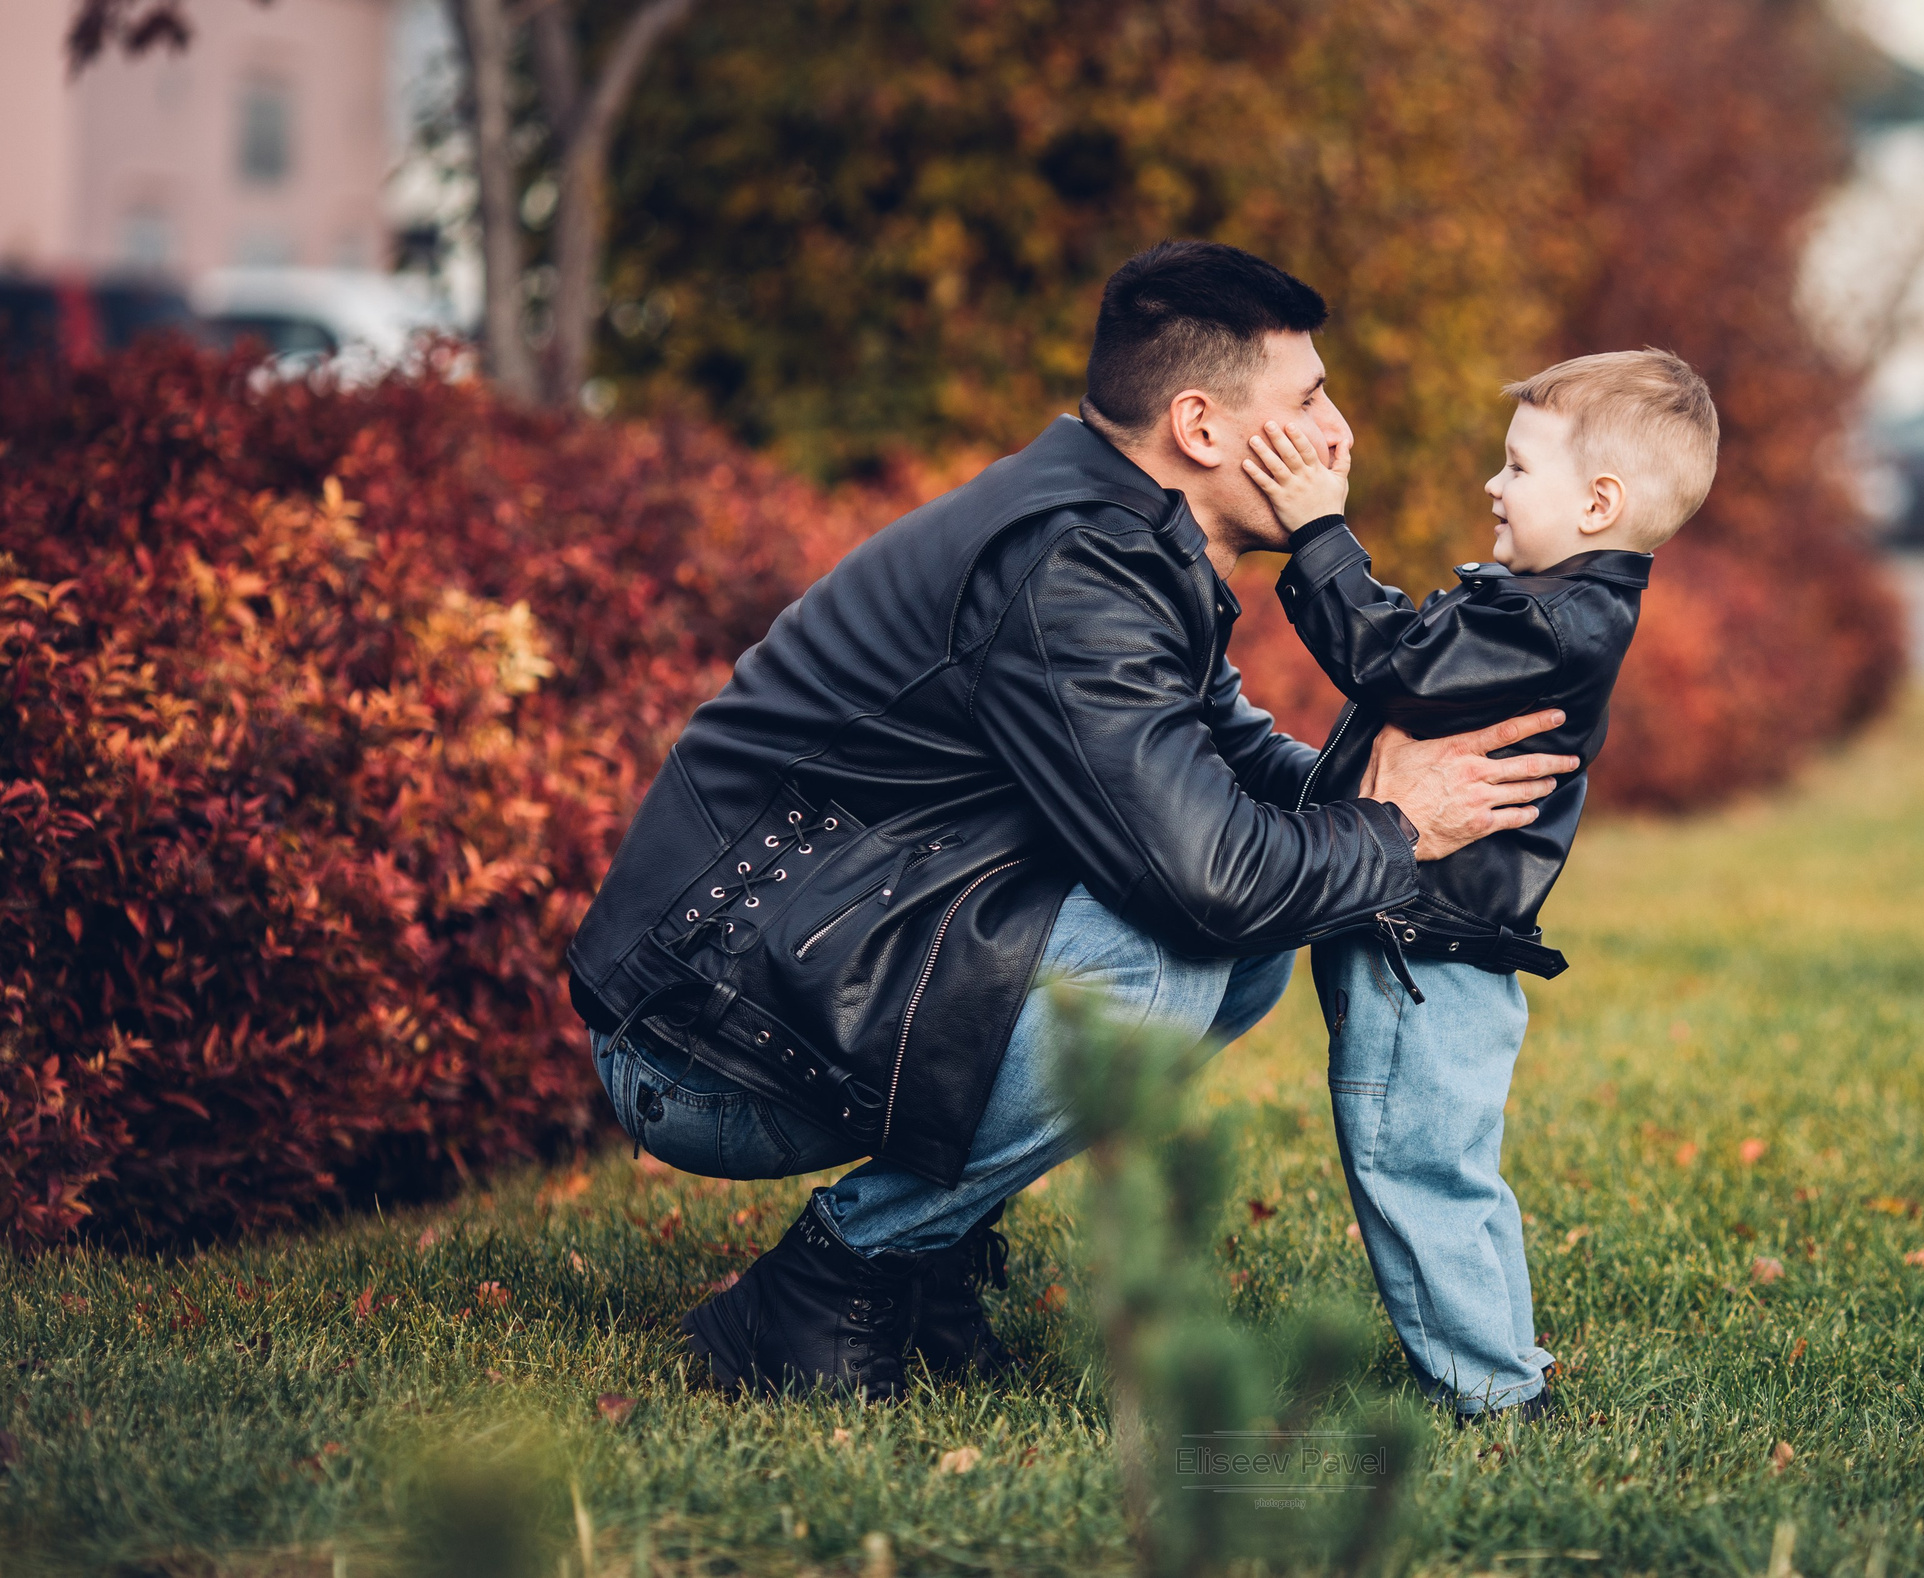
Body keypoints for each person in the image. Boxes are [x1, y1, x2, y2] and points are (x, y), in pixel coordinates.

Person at [563, 240, 1583, 1401]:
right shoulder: (1074, 567)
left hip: (808, 974)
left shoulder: (1120, 535)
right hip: (704, 1043)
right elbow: (1209, 878)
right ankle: (831, 1277)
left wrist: (1389, 789)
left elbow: (1225, 760)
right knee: (1172, 962)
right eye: (1308, 400)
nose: (1338, 433)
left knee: (1241, 942)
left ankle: (925, 1255)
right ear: (1199, 427)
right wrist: (1394, 829)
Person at [1242, 348, 1720, 1421]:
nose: (1493, 485)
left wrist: (1319, 533)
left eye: (1518, 467)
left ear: (1598, 503)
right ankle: (1506, 1363)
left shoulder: (1552, 622)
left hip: (1426, 943)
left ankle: (1492, 1391)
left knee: (1413, 1163)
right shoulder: (1548, 608)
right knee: (1448, 1158)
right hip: (1440, 939)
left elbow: (1395, 663)